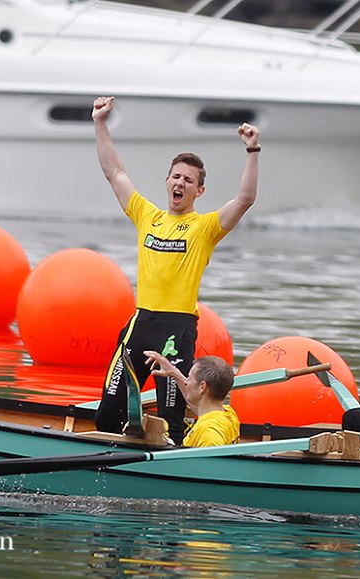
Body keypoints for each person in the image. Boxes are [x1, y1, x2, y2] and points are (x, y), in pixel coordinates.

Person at [91, 96, 260, 443]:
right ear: (167, 181)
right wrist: (100, 122)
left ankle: (175, 462)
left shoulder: (205, 227)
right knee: (106, 415)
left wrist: (252, 150)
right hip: (140, 325)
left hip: (176, 331)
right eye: (176, 176)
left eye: (188, 180)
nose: (180, 183)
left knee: (172, 421)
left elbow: (245, 199)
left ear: (199, 190)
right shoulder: (146, 215)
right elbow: (114, 172)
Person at [143, 351, 239, 447]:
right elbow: (197, 405)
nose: (186, 382)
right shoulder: (228, 414)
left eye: (189, 378)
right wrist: (173, 372)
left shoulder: (209, 434)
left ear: (202, 387)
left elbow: (214, 456)